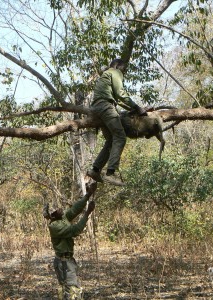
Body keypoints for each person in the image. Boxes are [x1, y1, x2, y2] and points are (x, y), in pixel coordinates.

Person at [87, 58, 147, 186]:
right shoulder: (114, 72)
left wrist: (133, 109)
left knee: (111, 140)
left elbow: (117, 99)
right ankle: (110, 173)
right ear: (118, 66)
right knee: (120, 137)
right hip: (105, 106)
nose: (123, 73)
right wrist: (137, 108)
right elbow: (120, 93)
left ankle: (95, 170)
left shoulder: (105, 75)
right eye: (124, 69)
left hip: (97, 108)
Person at [43, 182, 97, 300]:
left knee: (68, 290)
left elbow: (75, 209)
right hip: (64, 263)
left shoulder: (61, 217)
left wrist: (88, 195)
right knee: (72, 291)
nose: (60, 208)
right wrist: (88, 212)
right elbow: (76, 230)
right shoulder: (55, 226)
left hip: (67, 261)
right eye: (56, 209)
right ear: (52, 216)